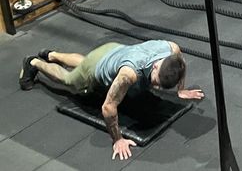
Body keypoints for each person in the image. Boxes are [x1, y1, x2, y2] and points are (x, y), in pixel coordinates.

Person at [18, 40, 203, 161]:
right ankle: (34, 62)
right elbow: (108, 107)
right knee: (69, 80)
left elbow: (181, 64)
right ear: (155, 66)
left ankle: (51, 54)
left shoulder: (172, 49)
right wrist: (118, 139)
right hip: (96, 69)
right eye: (155, 82)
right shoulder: (129, 74)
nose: (156, 88)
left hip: (114, 50)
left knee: (86, 61)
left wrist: (181, 90)